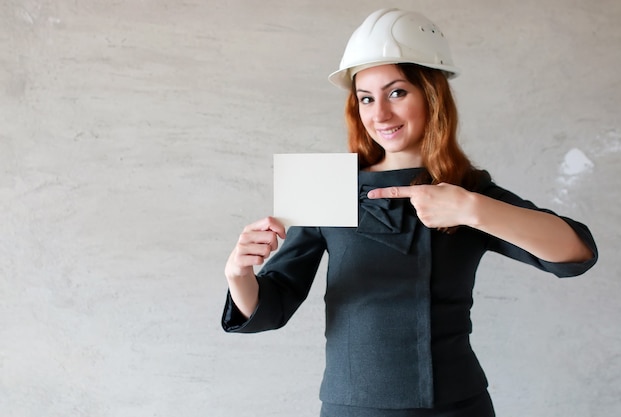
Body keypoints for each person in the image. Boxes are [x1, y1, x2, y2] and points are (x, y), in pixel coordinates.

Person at [221, 8, 598, 417]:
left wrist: (473, 208)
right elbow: (274, 305)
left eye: (396, 92)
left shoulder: (467, 189)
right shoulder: (325, 184)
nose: (379, 114)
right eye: (366, 98)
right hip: (353, 407)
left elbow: (576, 253)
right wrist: (239, 275)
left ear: (431, 94)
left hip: (457, 405)